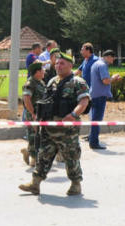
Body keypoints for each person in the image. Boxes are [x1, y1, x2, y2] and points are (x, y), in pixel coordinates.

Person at [18, 52, 89, 196]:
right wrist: (38, 119)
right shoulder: (52, 82)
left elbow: (84, 101)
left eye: (62, 63)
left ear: (70, 65)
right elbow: (44, 102)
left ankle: (76, 184)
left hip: (67, 130)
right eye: (56, 63)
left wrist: (73, 115)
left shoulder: (78, 82)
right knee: (43, 155)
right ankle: (35, 184)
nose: (58, 65)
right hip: (49, 128)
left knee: (71, 156)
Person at [87, 50, 121, 150]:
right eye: (112, 57)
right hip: (99, 97)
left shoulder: (96, 64)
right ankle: (94, 143)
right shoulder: (102, 65)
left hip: (94, 95)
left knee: (94, 119)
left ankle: (92, 139)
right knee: (97, 120)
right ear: (108, 56)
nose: (113, 59)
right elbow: (105, 81)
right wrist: (113, 78)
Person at [21, 61, 47, 167]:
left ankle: (28, 152)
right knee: (33, 135)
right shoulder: (30, 83)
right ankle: (33, 159)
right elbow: (26, 99)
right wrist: (33, 113)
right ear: (37, 72)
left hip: (41, 113)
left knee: (39, 135)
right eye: (42, 70)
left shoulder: (40, 82)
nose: (44, 71)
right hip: (33, 114)